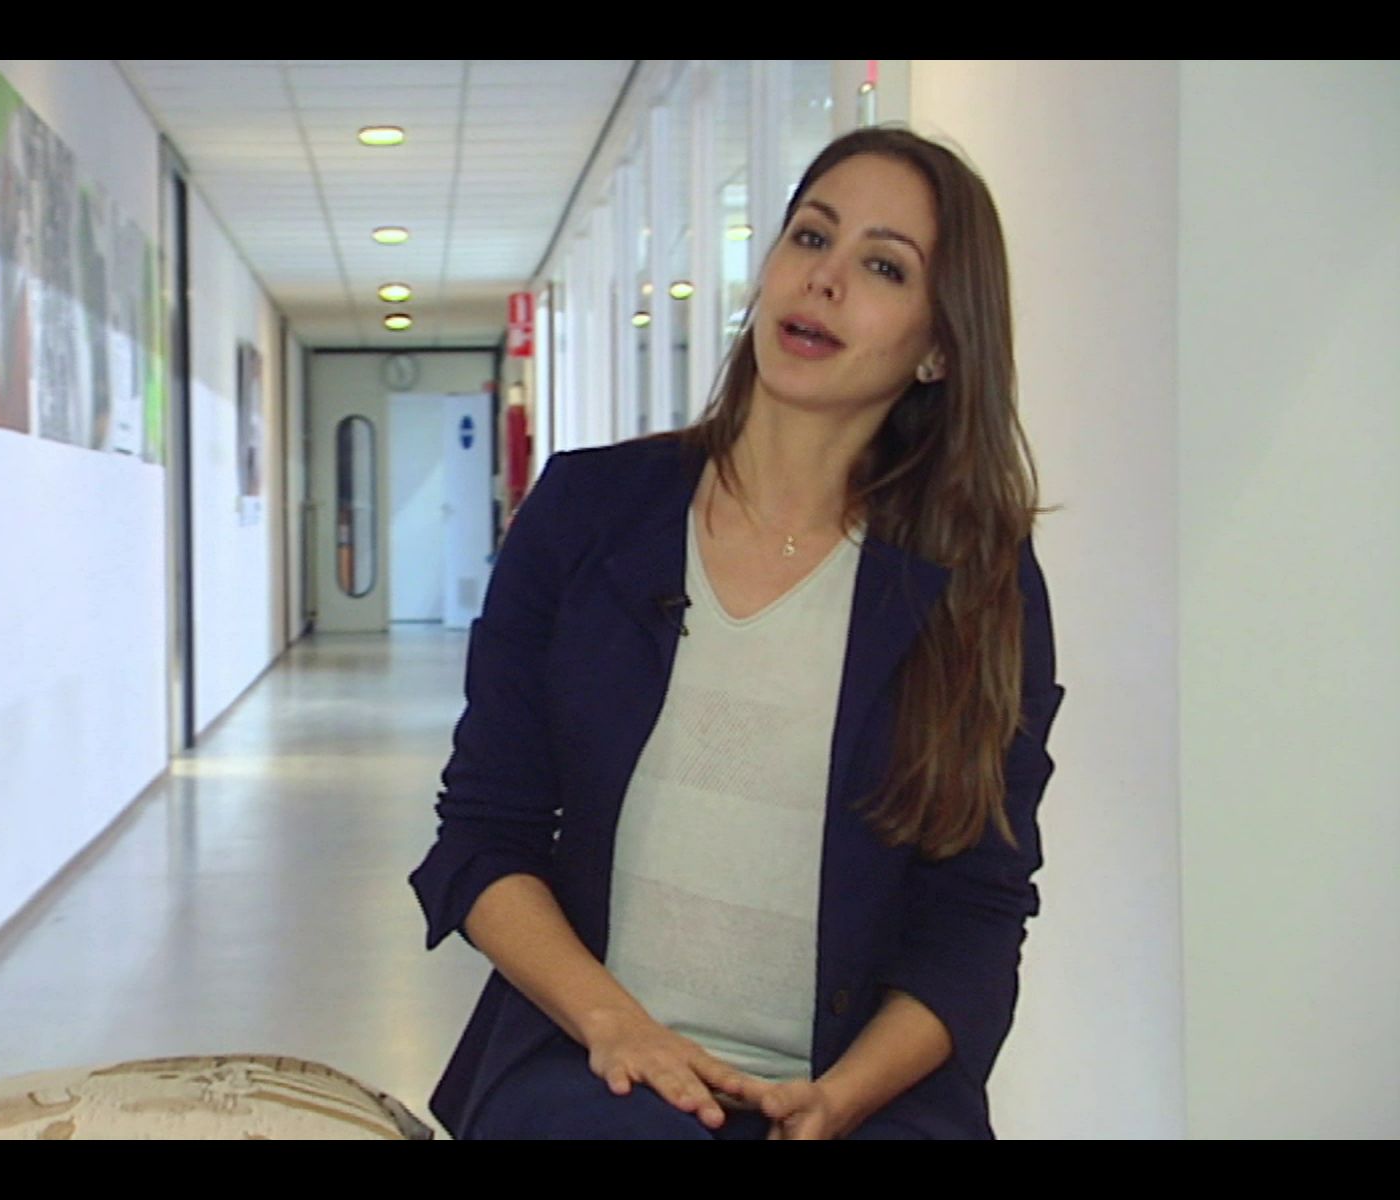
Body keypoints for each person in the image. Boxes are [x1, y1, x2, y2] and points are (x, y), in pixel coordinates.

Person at [408, 126, 1068, 1140]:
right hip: (595, 1070)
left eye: (884, 266)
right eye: (812, 237)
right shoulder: (587, 512)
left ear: (940, 346)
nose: (825, 279)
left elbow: (978, 912)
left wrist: (840, 1099)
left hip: (859, 1098)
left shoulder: (980, 585)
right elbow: (483, 837)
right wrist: (619, 1029)